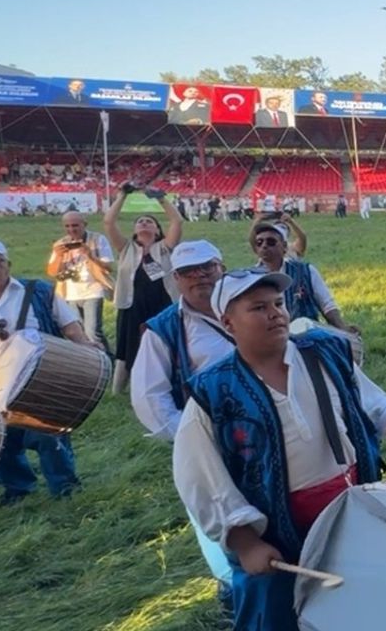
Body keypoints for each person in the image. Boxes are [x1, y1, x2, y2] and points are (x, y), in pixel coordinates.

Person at [173, 268, 386, 631]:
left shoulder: (325, 354)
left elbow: (372, 402)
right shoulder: (214, 392)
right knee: (273, 613)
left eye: (278, 303)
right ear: (228, 322)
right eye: (258, 307)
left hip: (348, 511)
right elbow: (199, 475)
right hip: (274, 531)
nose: (275, 313)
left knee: (359, 604)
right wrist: (245, 543)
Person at [130, 240, 236, 612]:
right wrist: (190, 438)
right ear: (176, 278)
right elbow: (149, 396)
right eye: (189, 271)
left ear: (221, 267)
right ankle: (231, 587)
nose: (200, 277)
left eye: (206, 267)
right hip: (206, 437)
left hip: (262, 431)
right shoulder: (163, 329)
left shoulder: (245, 305)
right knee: (214, 509)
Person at [0, 239, 99, 505]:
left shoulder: (39, 291)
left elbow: (71, 327)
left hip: (41, 380)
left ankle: (65, 488)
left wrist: (85, 349)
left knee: (51, 437)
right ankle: (18, 489)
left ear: (8, 264)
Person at [103, 184, 183, 395]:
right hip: (131, 304)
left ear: (157, 230)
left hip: (163, 303)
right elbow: (109, 222)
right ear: (135, 230)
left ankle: (166, 382)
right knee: (126, 345)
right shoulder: (126, 248)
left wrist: (161, 199)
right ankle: (118, 390)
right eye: (140, 221)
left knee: (164, 343)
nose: (144, 223)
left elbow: (176, 221)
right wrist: (122, 196)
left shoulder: (165, 247)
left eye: (149, 221)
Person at [249, 222, 354, 332]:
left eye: (271, 242)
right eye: (259, 242)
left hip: (306, 338)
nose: (264, 245)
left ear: (284, 247)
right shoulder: (251, 278)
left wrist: (342, 328)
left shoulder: (305, 271)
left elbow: (327, 305)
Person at [46, 210, 114, 352]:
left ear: (85, 224)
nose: (72, 229)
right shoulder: (61, 244)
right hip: (70, 293)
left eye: (75, 225)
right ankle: (89, 362)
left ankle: (106, 361)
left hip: (93, 290)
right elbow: (52, 272)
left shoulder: (97, 239)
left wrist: (90, 255)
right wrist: (59, 256)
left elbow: (108, 268)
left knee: (92, 332)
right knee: (78, 334)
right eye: (67, 226)